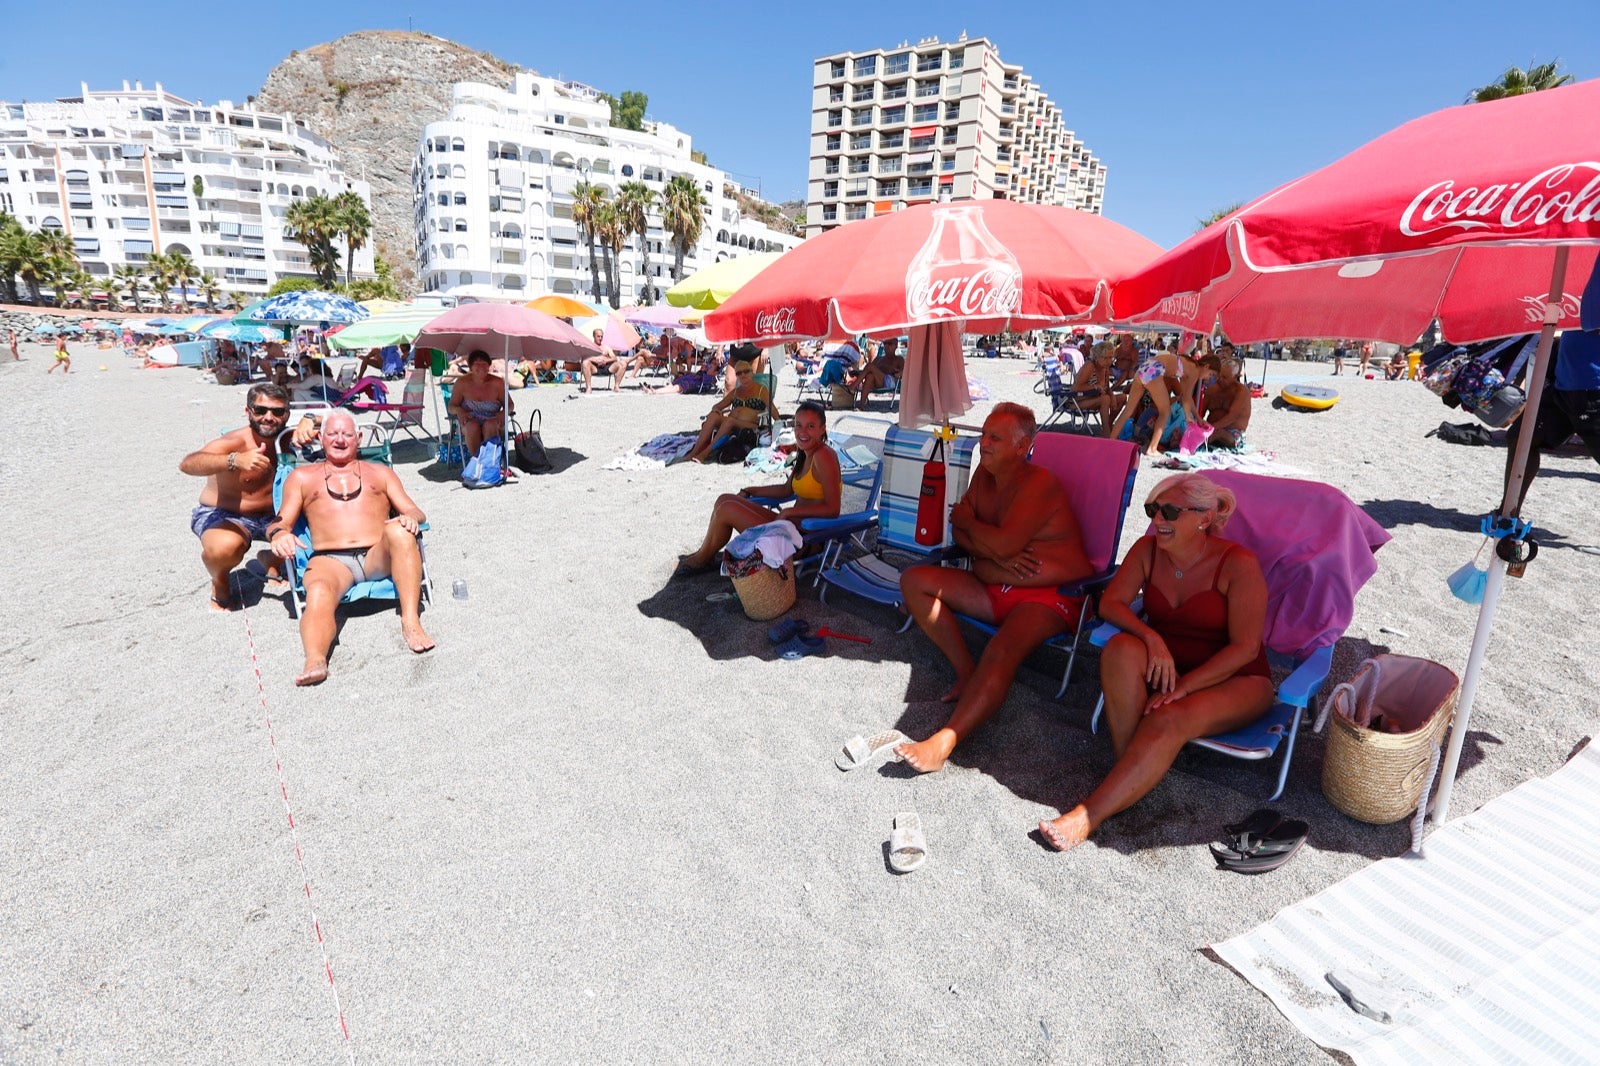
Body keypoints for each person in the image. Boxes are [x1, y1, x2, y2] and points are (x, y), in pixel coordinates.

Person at [1039, 473, 1275, 852]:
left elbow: (1245, 648)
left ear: (1204, 517)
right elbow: (1110, 603)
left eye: (1169, 511)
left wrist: (1184, 687)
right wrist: (1152, 637)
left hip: (1237, 678)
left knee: (1168, 716)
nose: (1158, 521)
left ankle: (1089, 814)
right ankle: (1132, 774)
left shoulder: (1237, 564)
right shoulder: (1148, 550)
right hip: (1168, 664)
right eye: (1153, 510)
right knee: (1118, 649)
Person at [894, 404, 1095, 773]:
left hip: (1048, 596)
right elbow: (965, 536)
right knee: (914, 580)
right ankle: (966, 672)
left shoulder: (1040, 483)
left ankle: (945, 741)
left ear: (1022, 446)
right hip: (997, 585)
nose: (983, 443)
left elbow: (986, 536)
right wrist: (993, 558)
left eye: (994, 438)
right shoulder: (984, 476)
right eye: (984, 434)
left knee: (1001, 649)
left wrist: (975, 529)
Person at [268, 411, 434, 685]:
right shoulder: (301, 476)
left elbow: (416, 511)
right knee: (319, 591)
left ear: (358, 438)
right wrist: (278, 535)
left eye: (347, 434)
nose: (340, 440)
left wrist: (409, 519)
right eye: (332, 434)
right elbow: (280, 521)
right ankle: (316, 659)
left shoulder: (381, 473)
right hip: (330, 561)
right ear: (321, 439)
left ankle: (411, 621)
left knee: (400, 530)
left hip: (376, 556)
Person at [179, 384, 318, 611]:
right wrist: (233, 460)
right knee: (225, 548)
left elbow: (341, 424)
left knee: (323, 526)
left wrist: (312, 418)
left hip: (274, 516)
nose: (269, 417)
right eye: (260, 410)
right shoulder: (234, 442)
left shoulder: (288, 437)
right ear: (248, 411)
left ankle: (269, 559)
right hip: (228, 515)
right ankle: (220, 581)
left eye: (277, 412)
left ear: (287, 415)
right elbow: (188, 464)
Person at [675, 401, 841, 575]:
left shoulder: (824, 456)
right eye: (799, 425)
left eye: (811, 426)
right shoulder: (805, 452)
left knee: (727, 508)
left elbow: (833, 509)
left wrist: (790, 513)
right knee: (724, 499)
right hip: (789, 528)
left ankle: (702, 559)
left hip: (806, 540)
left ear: (822, 429)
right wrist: (751, 490)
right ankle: (705, 556)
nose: (802, 432)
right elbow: (786, 490)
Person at [1107, 337, 1193, 455]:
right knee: (1164, 412)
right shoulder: (1163, 376)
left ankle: (1111, 440)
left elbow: (1181, 397)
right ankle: (1152, 448)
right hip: (1148, 411)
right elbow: (1182, 397)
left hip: (1148, 410)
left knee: (1129, 411)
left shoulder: (1164, 377)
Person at [683, 358, 771, 463]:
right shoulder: (735, 392)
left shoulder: (761, 390)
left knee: (729, 421)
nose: (743, 375)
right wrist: (716, 410)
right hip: (732, 422)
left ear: (752, 373)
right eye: (739, 373)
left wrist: (780, 425)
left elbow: (772, 409)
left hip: (753, 425)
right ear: (737, 376)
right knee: (713, 416)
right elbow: (718, 406)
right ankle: (695, 451)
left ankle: (705, 453)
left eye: (746, 371)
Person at [447, 350, 510, 457]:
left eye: (484, 364)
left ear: (489, 366)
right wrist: (459, 410)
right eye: (477, 363)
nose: (481, 367)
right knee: (472, 427)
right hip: (469, 421)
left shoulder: (498, 383)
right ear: (470, 367)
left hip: (493, 421)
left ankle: (488, 462)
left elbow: (510, 405)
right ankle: (476, 461)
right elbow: (451, 406)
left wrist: (503, 412)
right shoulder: (462, 383)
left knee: (490, 425)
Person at [1200, 348, 1253, 449]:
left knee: (1217, 434)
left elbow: (1232, 417)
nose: (1220, 380)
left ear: (1235, 377)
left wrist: (1212, 428)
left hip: (1233, 433)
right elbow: (1200, 412)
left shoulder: (1241, 392)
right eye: (1219, 376)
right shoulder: (1212, 389)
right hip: (1211, 428)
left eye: (1225, 378)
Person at [1070, 342, 1121, 427]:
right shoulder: (1089, 366)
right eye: (1105, 358)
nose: (1108, 361)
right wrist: (1094, 387)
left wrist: (1112, 396)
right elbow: (1076, 388)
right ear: (1096, 357)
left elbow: (1107, 388)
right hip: (1078, 401)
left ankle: (1109, 425)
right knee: (1105, 399)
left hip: (1096, 399)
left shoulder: (1105, 368)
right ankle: (1106, 431)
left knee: (1122, 398)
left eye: (1110, 358)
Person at [855, 337, 904, 408]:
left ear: (896, 345)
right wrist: (858, 372)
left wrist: (897, 373)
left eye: (889, 344)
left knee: (870, 366)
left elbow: (904, 372)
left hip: (890, 382)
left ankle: (853, 387)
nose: (886, 346)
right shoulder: (879, 359)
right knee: (870, 376)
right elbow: (868, 370)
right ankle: (861, 406)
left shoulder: (899, 359)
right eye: (885, 343)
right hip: (878, 382)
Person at [580, 328, 628, 393]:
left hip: (607, 367)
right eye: (598, 336)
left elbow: (614, 358)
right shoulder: (589, 347)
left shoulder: (606, 347)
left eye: (601, 336)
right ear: (594, 336)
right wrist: (595, 360)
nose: (600, 338)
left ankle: (616, 387)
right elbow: (583, 358)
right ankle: (588, 388)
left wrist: (606, 361)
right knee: (585, 363)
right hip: (594, 368)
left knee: (623, 363)